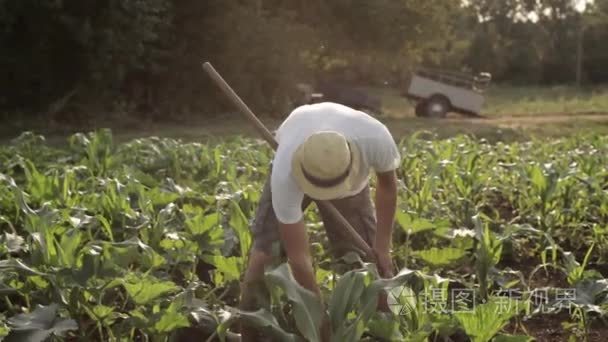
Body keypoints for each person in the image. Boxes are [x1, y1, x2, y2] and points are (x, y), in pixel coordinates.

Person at [239, 102, 400, 341]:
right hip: (298, 160)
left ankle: (392, 329)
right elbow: (299, 258)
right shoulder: (286, 174)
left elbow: (387, 187)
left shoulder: (374, 137)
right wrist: (318, 320)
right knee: (263, 257)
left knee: (372, 263)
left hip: (350, 187)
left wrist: (383, 245)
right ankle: (248, 332)